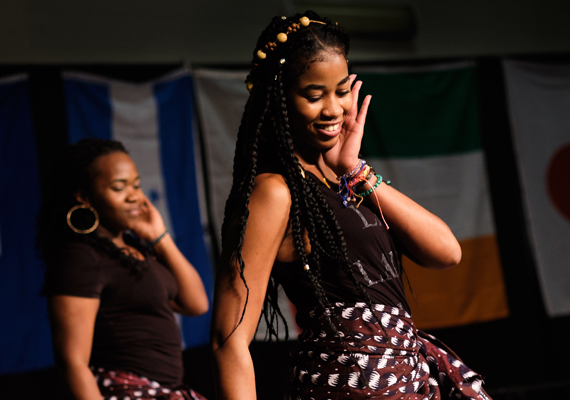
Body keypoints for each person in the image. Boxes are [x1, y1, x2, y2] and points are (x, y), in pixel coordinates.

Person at [209, 10, 490, 400]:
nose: (333, 109)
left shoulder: (346, 181)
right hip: (346, 385)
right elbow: (229, 338)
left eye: (341, 91)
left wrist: (355, 170)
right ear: (278, 99)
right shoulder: (275, 191)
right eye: (314, 95)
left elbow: (446, 251)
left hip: (404, 381)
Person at [38, 138, 209, 400]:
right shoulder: (81, 257)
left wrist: (158, 236)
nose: (134, 196)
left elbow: (196, 304)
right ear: (84, 196)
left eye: (137, 185)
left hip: (164, 392)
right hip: (126, 392)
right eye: (119, 188)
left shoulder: (134, 248)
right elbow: (72, 362)